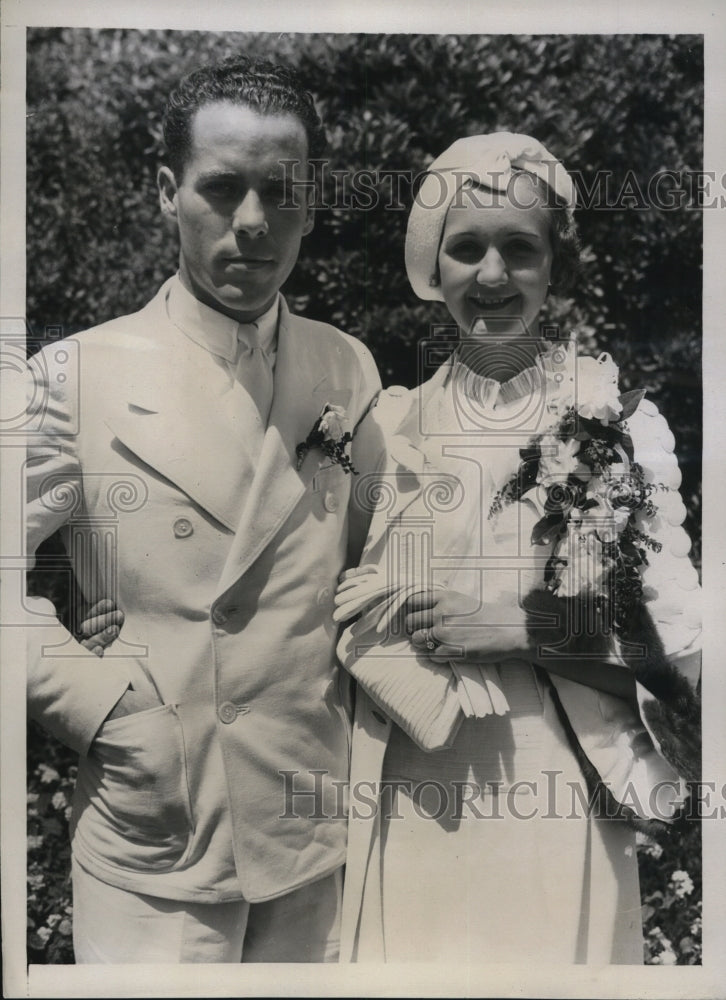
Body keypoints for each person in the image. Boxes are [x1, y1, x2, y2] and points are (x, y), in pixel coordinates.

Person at [24, 56, 381, 963]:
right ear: (165, 192)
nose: (254, 223)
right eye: (222, 189)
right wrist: (100, 707)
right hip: (159, 838)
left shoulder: (349, 368)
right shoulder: (76, 374)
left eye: (283, 191)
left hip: (313, 836)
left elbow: (378, 568)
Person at [332, 133, 702, 963]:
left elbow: (677, 656)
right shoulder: (389, 426)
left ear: (554, 267)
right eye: (466, 248)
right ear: (435, 263)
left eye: (519, 249)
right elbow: (338, 607)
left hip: (562, 786)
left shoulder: (617, 422)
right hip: (415, 790)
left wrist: (522, 628)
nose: (491, 277)